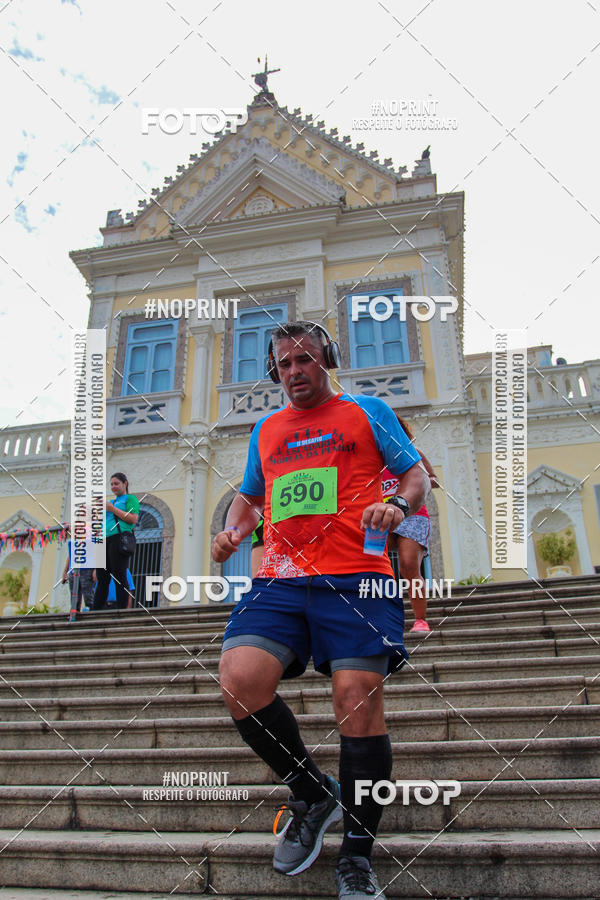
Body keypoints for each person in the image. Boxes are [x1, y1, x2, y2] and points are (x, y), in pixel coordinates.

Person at [212, 321, 429, 899]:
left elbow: (416, 477)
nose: (294, 372)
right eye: (283, 364)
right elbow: (250, 495)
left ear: (326, 360)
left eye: (305, 359)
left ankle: (356, 858)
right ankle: (312, 791)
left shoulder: (367, 411)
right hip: (282, 578)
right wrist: (234, 531)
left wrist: (394, 503)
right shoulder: (267, 428)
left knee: (356, 699)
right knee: (239, 679)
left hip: (357, 577)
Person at [383, 416, 440, 634]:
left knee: (408, 566)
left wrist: (407, 488)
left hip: (412, 516)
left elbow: (433, 479)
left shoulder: (412, 452)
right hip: (384, 517)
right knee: (377, 567)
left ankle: (420, 620)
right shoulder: (373, 457)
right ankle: (384, 619)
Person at [93, 473, 139, 611]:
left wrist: (112, 509)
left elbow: (133, 519)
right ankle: (96, 608)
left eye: (116, 483)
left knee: (119, 574)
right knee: (102, 577)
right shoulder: (110, 502)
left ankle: (122, 607)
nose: (113, 487)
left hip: (119, 538)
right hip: (104, 540)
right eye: (111, 484)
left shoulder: (130, 499)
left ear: (125, 483)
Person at [61, 538, 94, 614]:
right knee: (74, 599)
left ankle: (92, 617)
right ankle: (74, 617)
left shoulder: (91, 533)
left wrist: (96, 569)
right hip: (73, 570)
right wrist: (65, 571)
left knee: (88, 597)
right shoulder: (74, 536)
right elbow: (70, 555)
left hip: (87, 569)